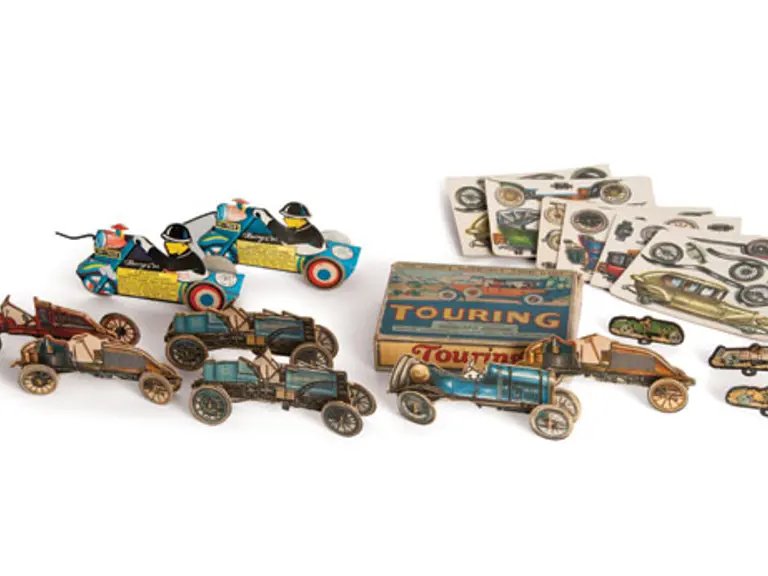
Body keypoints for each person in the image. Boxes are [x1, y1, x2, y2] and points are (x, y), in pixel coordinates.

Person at [139, 223, 206, 275]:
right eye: (166, 241)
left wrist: (148, 247)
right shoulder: (179, 256)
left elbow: (169, 265)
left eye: (171, 242)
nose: (166, 244)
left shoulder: (192, 260)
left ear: (183, 244)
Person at [254, 202, 324, 249]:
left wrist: (266, 217)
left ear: (300, 219)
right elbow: (284, 231)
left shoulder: (308, 233)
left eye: (288, 217)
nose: (284, 219)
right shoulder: (300, 228)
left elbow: (287, 238)